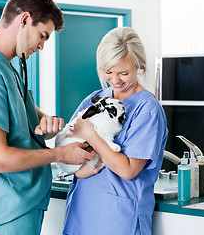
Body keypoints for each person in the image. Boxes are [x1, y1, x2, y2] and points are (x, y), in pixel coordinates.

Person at [0, 0, 95, 234]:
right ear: (24, 20)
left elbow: (32, 120)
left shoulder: (9, 68)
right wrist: (60, 154)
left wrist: (48, 122)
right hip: (4, 214)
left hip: (19, 208)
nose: (42, 46)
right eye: (42, 36)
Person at [62, 27, 168, 235]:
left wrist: (92, 135)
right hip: (81, 212)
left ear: (139, 66)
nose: (115, 80)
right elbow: (69, 146)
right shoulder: (95, 98)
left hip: (118, 220)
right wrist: (77, 172)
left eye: (124, 73)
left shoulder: (148, 110)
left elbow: (128, 170)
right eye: (108, 72)